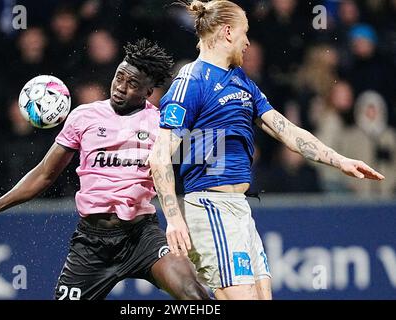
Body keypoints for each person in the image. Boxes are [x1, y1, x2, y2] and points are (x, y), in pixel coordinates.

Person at [149, 0, 385, 300]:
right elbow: (159, 156)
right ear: (228, 32)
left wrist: (340, 160)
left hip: (240, 210)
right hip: (211, 208)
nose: (248, 42)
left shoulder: (242, 82)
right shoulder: (191, 81)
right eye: (245, 33)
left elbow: (285, 130)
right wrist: (173, 218)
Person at [0, 39, 210, 300]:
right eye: (119, 77)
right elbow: (45, 173)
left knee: (193, 294)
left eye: (132, 84)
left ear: (149, 92)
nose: (120, 88)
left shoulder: (159, 123)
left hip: (142, 236)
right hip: (92, 243)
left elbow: (196, 161)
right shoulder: (84, 117)